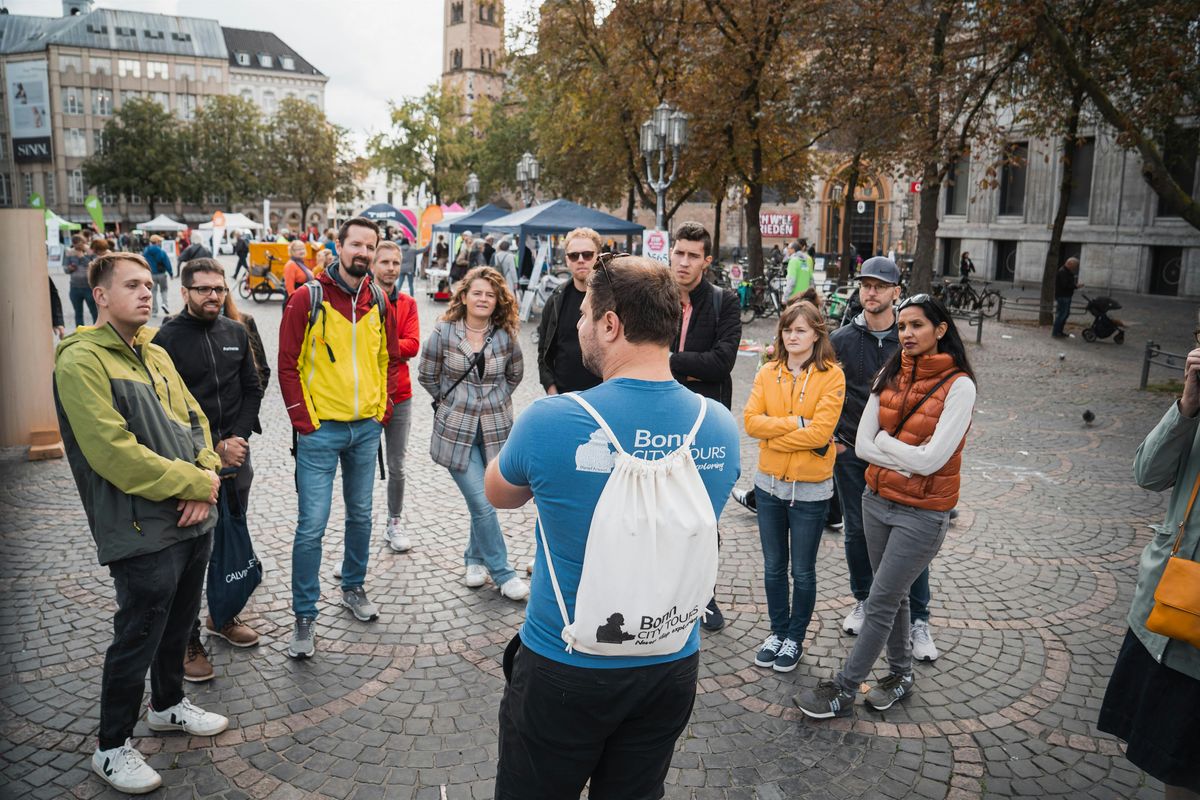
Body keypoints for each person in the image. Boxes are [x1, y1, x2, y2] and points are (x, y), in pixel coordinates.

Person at [484, 254, 741, 799]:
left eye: (584, 313)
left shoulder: (552, 419)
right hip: (671, 661)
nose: (578, 323)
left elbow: (499, 493)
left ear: (609, 324)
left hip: (566, 663)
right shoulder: (719, 425)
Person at [54, 252, 228, 794]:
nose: (146, 293)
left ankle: (168, 705)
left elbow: (196, 419)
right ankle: (111, 747)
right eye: (131, 285)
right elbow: (113, 451)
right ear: (100, 295)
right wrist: (193, 483)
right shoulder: (80, 361)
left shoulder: (153, 350)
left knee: (179, 623)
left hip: (190, 513)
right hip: (138, 524)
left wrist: (206, 471)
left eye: (149, 284)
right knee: (138, 635)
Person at [794, 294, 976, 719]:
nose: (907, 333)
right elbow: (861, 446)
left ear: (940, 330)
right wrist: (902, 455)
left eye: (917, 325)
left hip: (923, 513)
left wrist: (886, 444)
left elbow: (932, 461)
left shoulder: (960, 386)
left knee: (879, 601)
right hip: (876, 501)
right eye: (903, 326)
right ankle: (900, 674)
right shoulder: (888, 372)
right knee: (893, 597)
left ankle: (843, 690)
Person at [278, 217, 399, 659]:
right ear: (338, 246)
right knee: (312, 525)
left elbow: (387, 358)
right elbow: (287, 364)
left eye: (370, 246)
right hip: (320, 430)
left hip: (366, 429)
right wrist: (303, 420)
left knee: (361, 516)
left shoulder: (379, 300)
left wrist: (382, 409)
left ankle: (353, 586)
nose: (363, 252)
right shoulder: (307, 298)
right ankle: (304, 615)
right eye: (356, 245)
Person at [1098, 328, 1200, 799]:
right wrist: (1187, 406)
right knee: (1175, 767)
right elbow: (1148, 474)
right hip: (1170, 615)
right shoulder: (1196, 408)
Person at [154, 258, 266, 681]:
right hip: (189, 463)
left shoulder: (235, 332)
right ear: (184, 292)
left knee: (228, 543)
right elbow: (163, 411)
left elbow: (252, 389)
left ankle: (223, 615)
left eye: (218, 289)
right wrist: (210, 449)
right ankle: (186, 639)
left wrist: (237, 440)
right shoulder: (165, 340)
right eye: (203, 289)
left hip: (236, 460)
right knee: (188, 555)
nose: (213, 296)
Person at [829, 257, 940, 660]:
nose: (871, 292)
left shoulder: (910, 338)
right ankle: (863, 599)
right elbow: (828, 390)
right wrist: (835, 438)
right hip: (852, 453)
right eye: (865, 285)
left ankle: (918, 620)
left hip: (901, 455)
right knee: (857, 532)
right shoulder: (841, 339)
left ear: (896, 291)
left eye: (879, 285)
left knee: (909, 538)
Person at [744, 301, 845, 673]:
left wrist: (774, 437)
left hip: (810, 491)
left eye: (800, 330)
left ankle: (794, 639)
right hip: (769, 487)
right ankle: (777, 631)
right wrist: (797, 424)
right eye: (787, 330)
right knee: (774, 567)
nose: (792, 336)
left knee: (802, 571)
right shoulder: (768, 372)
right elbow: (751, 423)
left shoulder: (832, 375)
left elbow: (821, 433)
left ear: (816, 334)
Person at [418, 266, 529, 602]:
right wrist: (451, 402)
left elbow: (515, 374)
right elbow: (427, 374)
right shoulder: (444, 332)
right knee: (482, 501)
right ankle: (503, 572)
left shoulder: (504, 336)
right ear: (464, 297)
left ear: (497, 301)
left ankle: (474, 559)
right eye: (477, 293)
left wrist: (495, 398)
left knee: (484, 500)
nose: (483, 299)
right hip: (457, 432)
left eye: (490, 295)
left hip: (495, 430)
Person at [669, 220, 742, 631]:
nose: (684, 261)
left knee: (703, 515)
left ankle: (704, 595)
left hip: (705, 422)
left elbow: (722, 362)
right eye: (679, 252)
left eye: (693, 255)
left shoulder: (722, 302)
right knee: (659, 510)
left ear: (706, 260)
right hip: (661, 420)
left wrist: (669, 363)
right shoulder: (656, 298)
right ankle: (665, 593)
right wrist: (690, 367)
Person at [369, 240, 420, 554]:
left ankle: (394, 520)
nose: (390, 268)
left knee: (397, 466)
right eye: (384, 262)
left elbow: (412, 345)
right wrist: (392, 347)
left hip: (399, 395)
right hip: (364, 396)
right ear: (373, 265)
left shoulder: (407, 303)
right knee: (360, 468)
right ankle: (357, 533)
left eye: (395, 263)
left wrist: (376, 345)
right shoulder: (361, 300)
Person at [537, 226, 604, 395]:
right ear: (567, 260)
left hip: (603, 395)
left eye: (587, 254)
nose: (580, 260)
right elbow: (544, 351)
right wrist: (552, 391)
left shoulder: (613, 298)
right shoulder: (556, 299)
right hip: (564, 396)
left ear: (598, 256)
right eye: (574, 255)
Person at [64, 234, 97, 327]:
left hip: (88, 287)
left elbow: (93, 266)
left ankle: (97, 331)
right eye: (75, 244)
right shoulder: (70, 253)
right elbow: (66, 270)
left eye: (79, 243)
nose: (77, 245)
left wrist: (82, 257)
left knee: (94, 312)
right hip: (75, 287)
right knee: (78, 313)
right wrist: (70, 268)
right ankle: (80, 333)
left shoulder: (90, 252)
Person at [142, 235, 174, 316]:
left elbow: (143, 262)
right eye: (160, 241)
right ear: (157, 242)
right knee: (164, 290)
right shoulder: (161, 251)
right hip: (162, 274)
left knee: (153, 292)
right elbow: (167, 263)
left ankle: (154, 311)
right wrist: (170, 273)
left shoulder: (146, 251)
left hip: (151, 275)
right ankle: (165, 304)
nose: (160, 243)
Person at [1052, 256, 1082, 338]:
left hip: (1065, 296)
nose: (1075, 268)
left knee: (1064, 314)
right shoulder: (1063, 272)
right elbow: (1065, 285)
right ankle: (1056, 332)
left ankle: (1059, 332)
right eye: (1075, 266)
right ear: (1069, 264)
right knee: (1062, 315)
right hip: (1063, 296)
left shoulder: (1066, 271)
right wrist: (1075, 286)